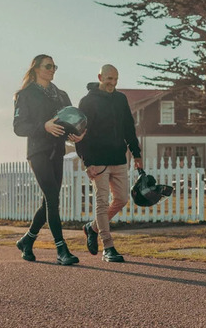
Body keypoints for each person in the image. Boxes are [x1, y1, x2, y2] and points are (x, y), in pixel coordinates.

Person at [13, 55, 83, 265]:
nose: (53, 69)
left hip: (57, 152)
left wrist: (77, 134)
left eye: (55, 66)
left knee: (49, 201)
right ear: (36, 68)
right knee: (53, 199)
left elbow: (72, 120)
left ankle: (27, 240)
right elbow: (18, 127)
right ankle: (61, 250)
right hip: (38, 152)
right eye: (48, 66)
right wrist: (43, 126)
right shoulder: (25, 95)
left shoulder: (61, 95)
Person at [75, 64, 143, 262]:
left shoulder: (120, 99)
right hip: (97, 161)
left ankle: (92, 227)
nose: (112, 83)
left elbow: (128, 127)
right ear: (100, 77)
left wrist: (136, 154)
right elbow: (80, 135)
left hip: (118, 159)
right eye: (109, 79)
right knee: (102, 203)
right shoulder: (87, 102)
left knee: (122, 199)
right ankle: (108, 246)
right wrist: (87, 162)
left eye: (115, 79)